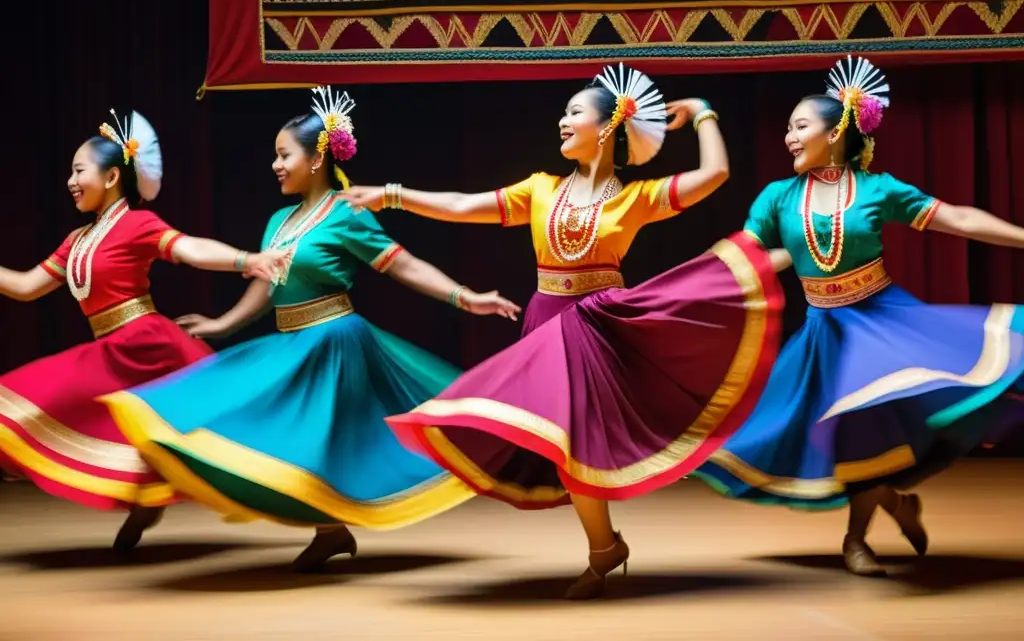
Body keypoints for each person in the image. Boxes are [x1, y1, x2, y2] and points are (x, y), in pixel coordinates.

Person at [343, 64, 788, 599]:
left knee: (576, 443)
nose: (561, 121)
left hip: (598, 329)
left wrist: (702, 114)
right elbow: (463, 206)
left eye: (574, 112)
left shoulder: (634, 198)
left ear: (606, 127)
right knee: (556, 443)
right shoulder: (539, 190)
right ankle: (605, 547)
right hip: (545, 323)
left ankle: (603, 550)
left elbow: (714, 175)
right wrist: (393, 194)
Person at [102, 87, 520, 572]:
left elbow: (403, 266)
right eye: (275, 156)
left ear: (317, 157)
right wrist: (223, 324)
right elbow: (266, 283)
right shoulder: (280, 219)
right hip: (292, 340)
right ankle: (330, 531)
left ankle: (331, 528)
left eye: (284, 155)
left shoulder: (347, 213)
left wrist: (464, 296)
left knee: (317, 438)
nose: (276, 165)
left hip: (334, 341)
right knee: (246, 419)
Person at [692, 55, 1024, 576]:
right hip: (825, 331)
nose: (789, 137)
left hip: (880, 320)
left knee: (864, 421)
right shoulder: (779, 197)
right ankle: (896, 502)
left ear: (837, 130)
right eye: (787, 128)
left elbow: (955, 217)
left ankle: (856, 541)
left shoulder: (876, 189)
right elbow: (758, 253)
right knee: (822, 433)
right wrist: (699, 285)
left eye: (801, 126)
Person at [0, 110, 281, 552]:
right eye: (70, 172)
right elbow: (25, 286)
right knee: (47, 403)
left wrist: (246, 260)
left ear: (112, 175)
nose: (70, 181)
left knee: (227, 434)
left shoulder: (137, 224)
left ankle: (320, 510)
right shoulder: (76, 240)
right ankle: (148, 497)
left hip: (146, 344)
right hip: (112, 348)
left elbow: (189, 249)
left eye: (79, 170)